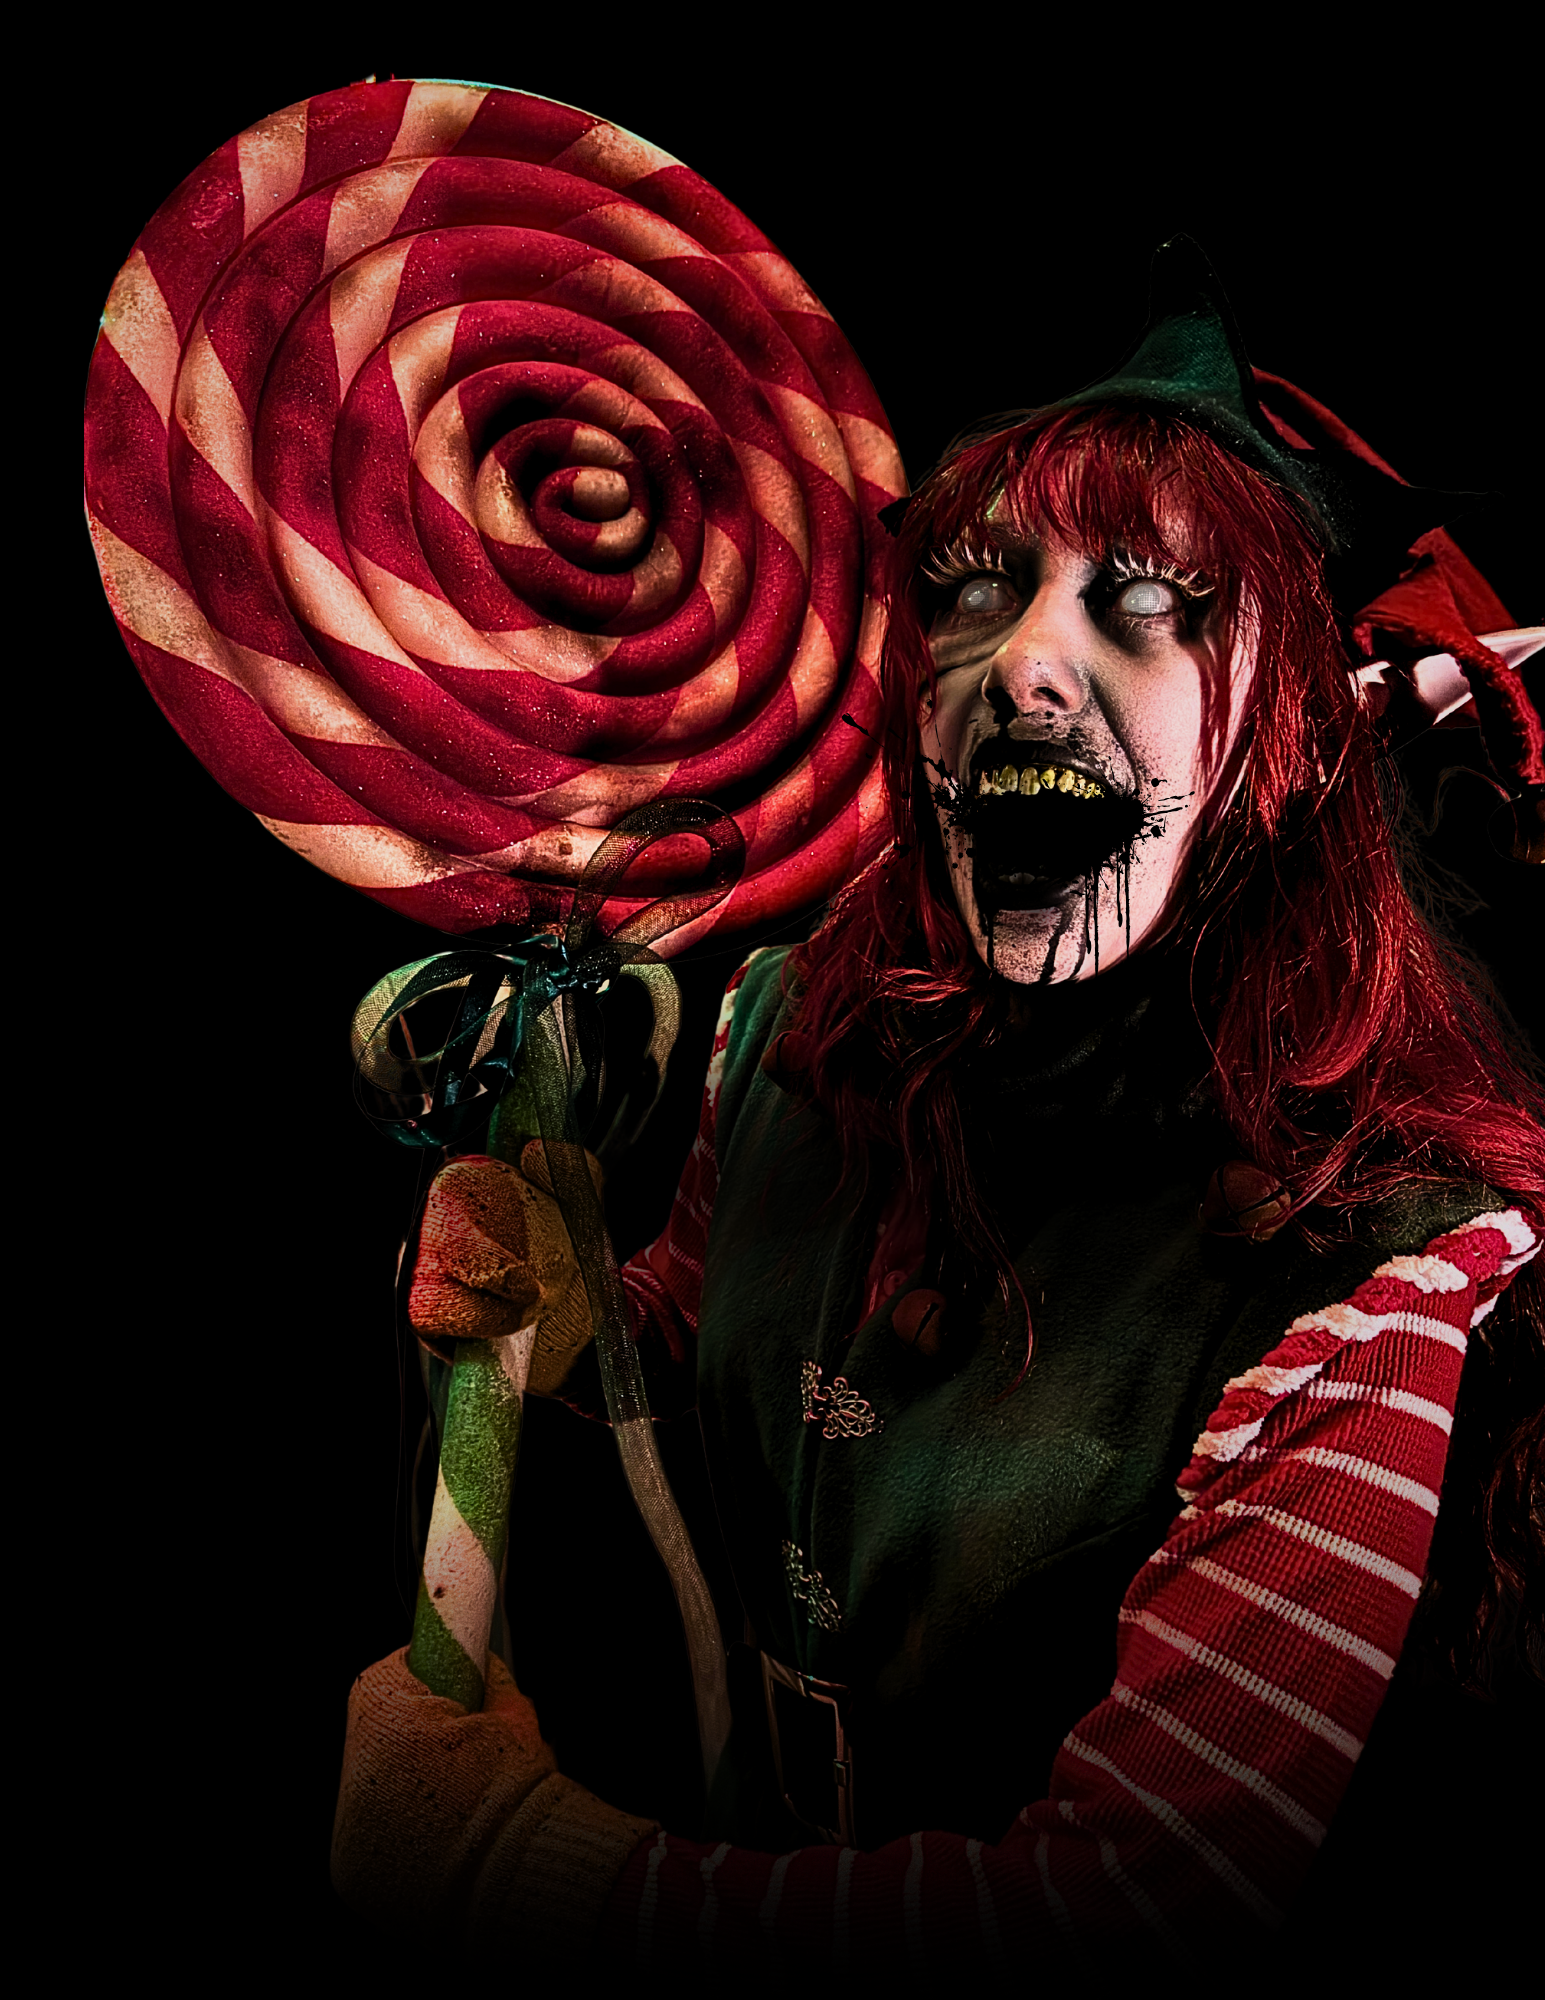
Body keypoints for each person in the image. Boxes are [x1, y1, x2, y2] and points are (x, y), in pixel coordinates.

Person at [329, 242, 1543, 1974]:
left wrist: (546, 1879)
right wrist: (570, 1317)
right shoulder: (786, 1030)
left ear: (1279, 738)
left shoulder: (1381, 1280)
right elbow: (697, 1361)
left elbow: (1132, 1914)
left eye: (1150, 600)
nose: (1025, 662)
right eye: (975, 592)